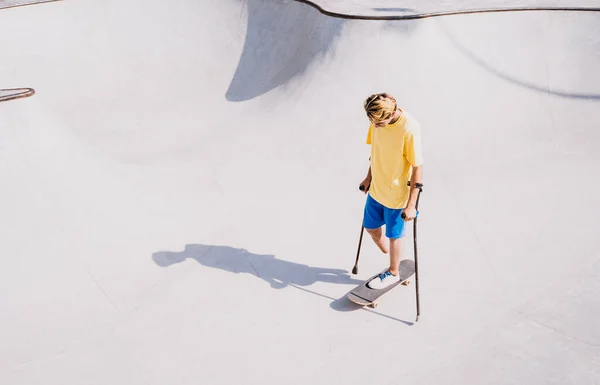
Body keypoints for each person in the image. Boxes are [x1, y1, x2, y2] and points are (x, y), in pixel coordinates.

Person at [358, 93, 424, 289]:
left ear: (391, 113)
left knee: (394, 234)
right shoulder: (377, 119)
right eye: (373, 121)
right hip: (377, 188)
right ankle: (390, 254)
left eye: (378, 122)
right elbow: (376, 152)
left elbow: (417, 167)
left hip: (396, 195)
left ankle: (394, 272)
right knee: (370, 228)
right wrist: (368, 178)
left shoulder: (409, 129)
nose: (375, 125)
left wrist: (411, 205)